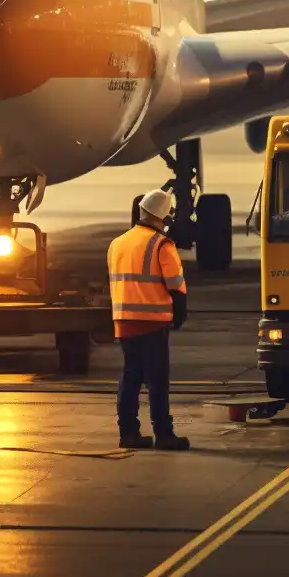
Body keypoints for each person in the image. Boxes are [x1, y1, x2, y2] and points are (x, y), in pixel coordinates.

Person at [107, 188, 191, 451]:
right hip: (152, 322)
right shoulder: (161, 244)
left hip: (124, 320)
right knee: (157, 380)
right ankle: (164, 434)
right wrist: (179, 312)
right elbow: (176, 284)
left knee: (130, 376)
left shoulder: (117, 243)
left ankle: (128, 433)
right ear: (163, 216)